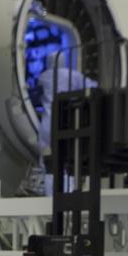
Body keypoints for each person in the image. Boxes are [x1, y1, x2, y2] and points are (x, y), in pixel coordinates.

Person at [37, 56, 96, 192]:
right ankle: (67, 195)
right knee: (67, 160)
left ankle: (50, 197)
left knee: (48, 161)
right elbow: (93, 87)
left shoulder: (43, 76)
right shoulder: (73, 75)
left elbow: (35, 93)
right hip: (65, 123)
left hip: (47, 125)